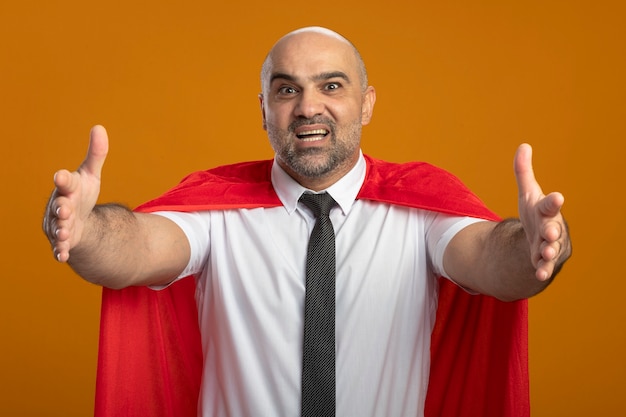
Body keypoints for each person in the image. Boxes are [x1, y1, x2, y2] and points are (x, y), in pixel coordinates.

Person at [43, 27, 571, 417]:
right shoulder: (215, 214)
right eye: (287, 89)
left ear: (366, 105)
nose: (307, 107)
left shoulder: (421, 213)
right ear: (265, 108)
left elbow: (489, 259)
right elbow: (136, 247)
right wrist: (86, 231)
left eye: (332, 87)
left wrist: (534, 245)